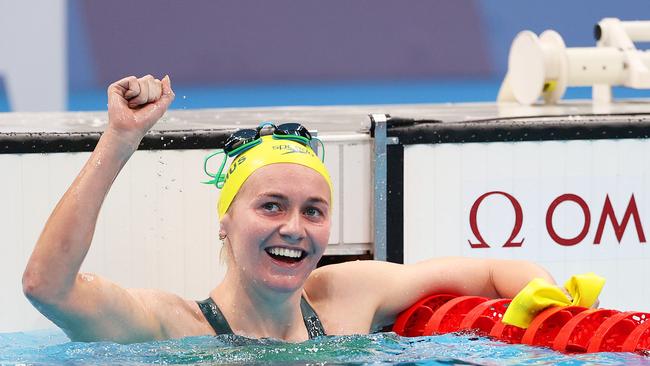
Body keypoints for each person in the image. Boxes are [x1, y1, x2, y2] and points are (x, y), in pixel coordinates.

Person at [23, 75, 557, 344]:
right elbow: (47, 285)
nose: (293, 229)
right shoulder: (176, 328)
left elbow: (491, 271)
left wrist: (552, 302)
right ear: (226, 222)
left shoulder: (348, 298)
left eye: (314, 211)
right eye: (271, 206)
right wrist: (119, 138)